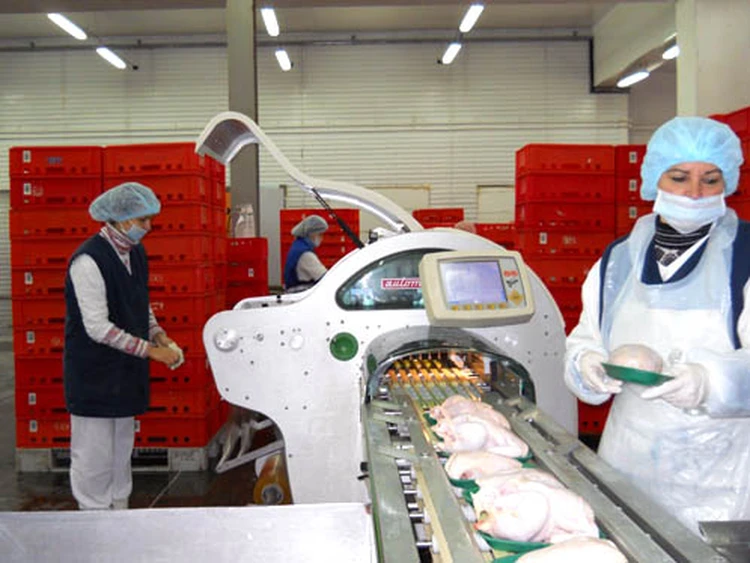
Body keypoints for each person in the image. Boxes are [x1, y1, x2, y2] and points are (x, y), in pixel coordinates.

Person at [564, 116, 750, 535]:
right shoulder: (618, 260)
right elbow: (585, 338)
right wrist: (585, 365)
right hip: (628, 464)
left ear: (728, 182)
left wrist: (709, 382)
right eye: (679, 177)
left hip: (717, 480)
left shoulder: (744, 256)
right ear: (654, 179)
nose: (694, 192)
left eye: (711, 180)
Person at [64, 182, 184, 510]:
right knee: (94, 457)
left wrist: (158, 334)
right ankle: (92, 518)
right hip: (94, 374)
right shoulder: (88, 261)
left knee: (120, 451)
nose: (149, 226)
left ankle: (119, 512)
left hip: (124, 373)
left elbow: (139, 302)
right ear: (120, 219)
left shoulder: (135, 253)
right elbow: (97, 327)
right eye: (143, 220)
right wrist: (150, 351)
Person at [283, 214, 329, 291]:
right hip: (300, 292)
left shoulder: (298, 246)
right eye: (320, 234)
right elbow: (324, 277)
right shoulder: (305, 254)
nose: (322, 238)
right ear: (312, 233)